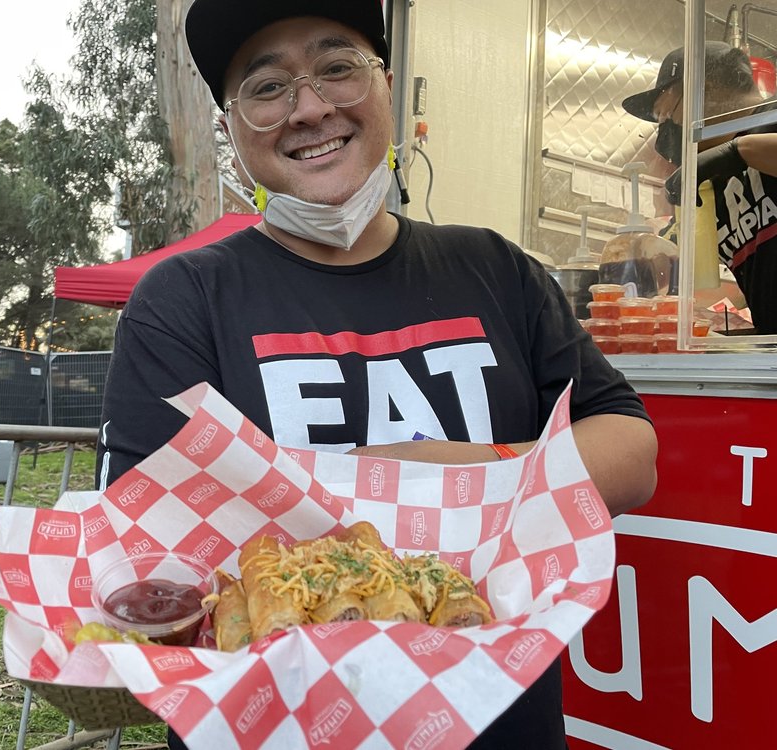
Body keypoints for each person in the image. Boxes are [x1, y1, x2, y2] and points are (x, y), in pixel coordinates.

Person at [97, 1, 658, 747]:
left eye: (337, 68)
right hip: (274, 725)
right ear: (231, 129)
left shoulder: (494, 267)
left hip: (500, 722)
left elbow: (632, 453)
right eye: (268, 88)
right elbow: (145, 542)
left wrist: (462, 467)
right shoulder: (182, 299)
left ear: (387, 86)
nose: (309, 108)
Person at [623, 41, 777, 334]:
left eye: (667, 113)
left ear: (706, 89)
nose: (667, 130)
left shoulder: (771, 117)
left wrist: (736, 152)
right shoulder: (714, 182)